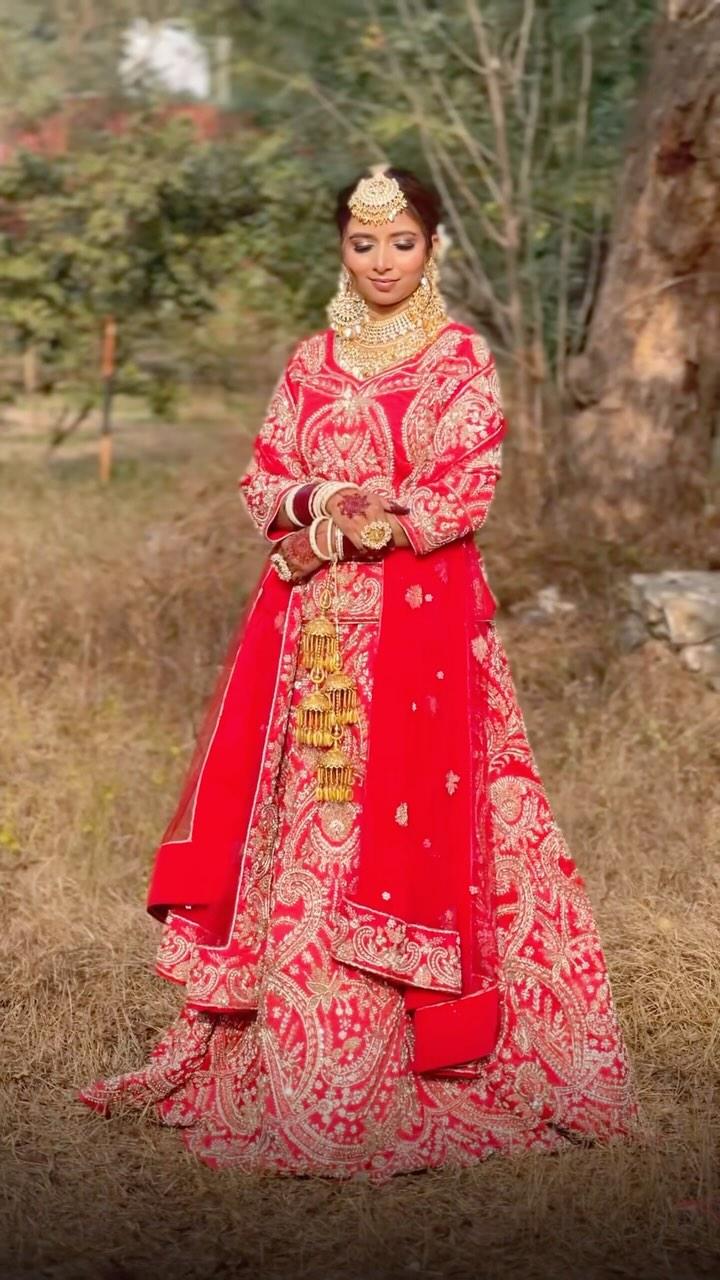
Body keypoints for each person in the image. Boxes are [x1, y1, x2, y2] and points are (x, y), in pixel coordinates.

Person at [76, 165, 638, 1180]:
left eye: (402, 243)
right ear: (342, 247)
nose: (381, 262)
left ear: (434, 247)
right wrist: (323, 502)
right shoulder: (311, 359)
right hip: (315, 643)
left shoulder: (460, 359)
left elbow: (463, 490)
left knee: (432, 829)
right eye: (362, 243)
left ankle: (441, 1053)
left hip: (421, 641)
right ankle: (298, 1052)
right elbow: (262, 480)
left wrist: (339, 529)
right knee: (315, 827)